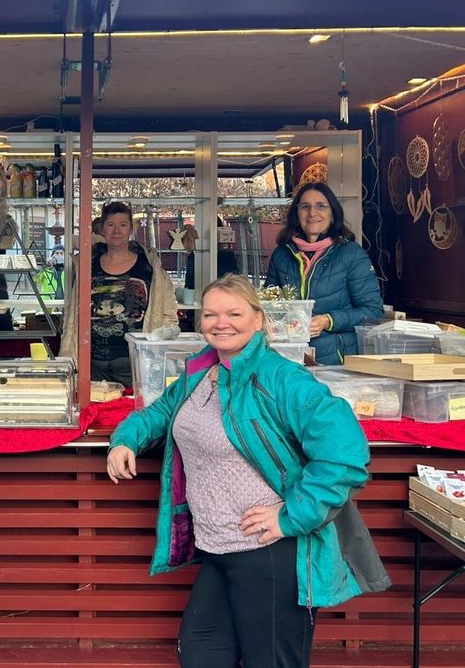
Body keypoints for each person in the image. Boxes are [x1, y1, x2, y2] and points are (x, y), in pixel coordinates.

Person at [107, 274, 389, 668]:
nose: (221, 323)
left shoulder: (284, 379)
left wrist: (291, 516)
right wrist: (125, 440)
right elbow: (159, 412)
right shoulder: (202, 372)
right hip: (218, 547)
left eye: (234, 313)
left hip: (271, 551)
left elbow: (346, 455)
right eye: (210, 314)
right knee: (201, 654)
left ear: (258, 320)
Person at [266, 181, 383, 364]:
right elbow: (270, 306)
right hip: (289, 359)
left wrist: (328, 320)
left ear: (333, 214)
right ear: (297, 214)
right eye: (305, 207)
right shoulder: (282, 254)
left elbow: (373, 311)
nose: (312, 213)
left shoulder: (351, 254)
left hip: (336, 363)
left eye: (321, 206)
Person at [60, 201, 176, 385]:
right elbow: (73, 311)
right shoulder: (86, 265)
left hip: (134, 361)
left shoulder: (149, 267)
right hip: (91, 360)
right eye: (111, 225)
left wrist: (159, 350)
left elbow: (169, 311)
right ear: (102, 229)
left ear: (131, 229)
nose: (117, 231)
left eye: (123, 225)